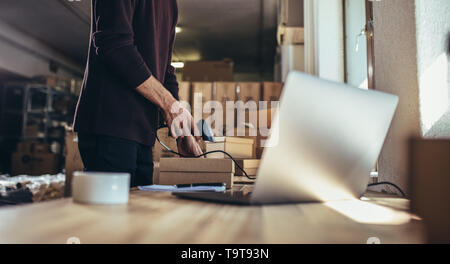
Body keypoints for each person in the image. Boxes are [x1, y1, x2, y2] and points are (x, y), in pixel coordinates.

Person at [73, 0, 203, 187]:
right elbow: (114, 45)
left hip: (143, 133)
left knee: (139, 212)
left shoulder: (170, 4)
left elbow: (165, 70)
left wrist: (181, 127)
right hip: (111, 126)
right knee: (109, 215)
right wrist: (168, 104)